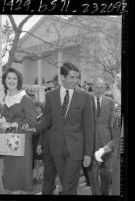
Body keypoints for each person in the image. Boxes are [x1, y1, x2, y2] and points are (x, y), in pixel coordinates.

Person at [35, 62, 94, 195]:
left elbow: (89, 127)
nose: (75, 81)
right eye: (72, 77)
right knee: (66, 186)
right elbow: (46, 120)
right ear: (62, 77)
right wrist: (33, 129)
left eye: (77, 77)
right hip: (56, 149)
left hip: (76, 150)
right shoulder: (51, 96)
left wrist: (88, 153)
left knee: (68, 186)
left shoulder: (85, 96)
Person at [0, 67, 37, 194]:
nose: (11, 80)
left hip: (22, 141)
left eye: (14, 78)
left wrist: (14, 124)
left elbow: (32, 121)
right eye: (8, 78)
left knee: (19, 178)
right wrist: (1, 123)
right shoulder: (6, 98)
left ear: (19, 81)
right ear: (4, 80)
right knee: (10, 178)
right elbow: (6, 117)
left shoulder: (25, 98)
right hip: (8, 140)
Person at [94, 72, 122, 195]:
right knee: (95, 178)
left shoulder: (112, 103)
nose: (113, 88)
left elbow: (116, 130)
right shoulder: (86, 100)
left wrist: (108, 146)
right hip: (95, 144)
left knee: (108, 177)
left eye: (115, 86)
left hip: (111, 147)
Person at [88, 78, 115, 195]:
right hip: (91, 143)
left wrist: (114, 142)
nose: (99, 90)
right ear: (92, 88)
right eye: (96, 88)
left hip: (106, 143)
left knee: (106, 174)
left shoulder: (109, 101)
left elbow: (112, 123)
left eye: (101, 88)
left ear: (105, 88)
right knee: (93, 176)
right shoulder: (86, 100)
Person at [32, 101, 44, 183]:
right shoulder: (33, 117)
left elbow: (40, 129)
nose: (36, 110)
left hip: (41, 141)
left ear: (41, 108)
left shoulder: (43, 118)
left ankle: (40, 175)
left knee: (41, 159)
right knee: (36, 159)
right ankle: (36, 176)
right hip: (33, 141)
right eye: (34, 108)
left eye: (38, 108)